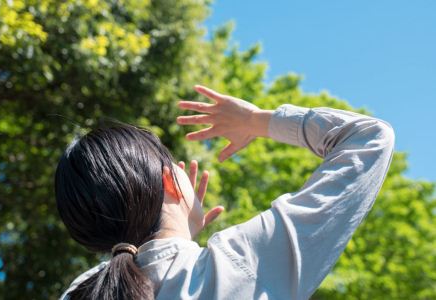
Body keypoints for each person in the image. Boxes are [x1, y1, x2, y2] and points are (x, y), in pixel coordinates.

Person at [55, 85, 394, 300]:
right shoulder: (237, 264)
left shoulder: (79, 292)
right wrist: (259, 121)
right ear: (170, 183)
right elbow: (370, 137)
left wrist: (179, 234)